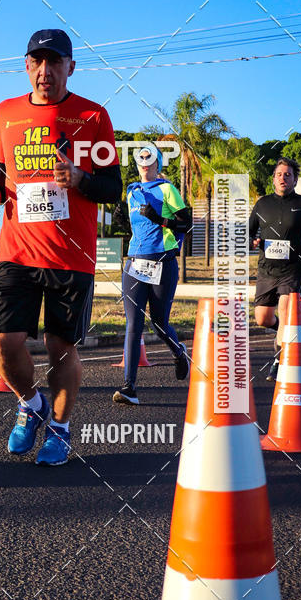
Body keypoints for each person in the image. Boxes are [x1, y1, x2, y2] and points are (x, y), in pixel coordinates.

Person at [0, 28, 122, 465]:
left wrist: (80, 179)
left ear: (70, 67)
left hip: (70, 256)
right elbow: (2, 172)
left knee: (61, 349)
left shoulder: (93, 117)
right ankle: (31, 403)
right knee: (3, 344)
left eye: (54, 62)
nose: (45, 71)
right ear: (26, 66)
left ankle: (59, 428)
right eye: (37, 62)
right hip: (16, 250)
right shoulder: (5, 114)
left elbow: (113, 188)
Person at [113, 144, 191, 405]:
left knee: (158, 323)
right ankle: (129, 387)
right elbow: (136, 226)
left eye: (150, 158)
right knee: (133, 325)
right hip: (135, 263)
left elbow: (187, 223)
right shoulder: (131, 191)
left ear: (157, 163)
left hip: (163, 261)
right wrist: (121, 220)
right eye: (141, 158)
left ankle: (179, 353)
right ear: (137, 164)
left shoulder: (167, 189)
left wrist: (161, 219)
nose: (145, 162)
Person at [249, 156, 301, 380]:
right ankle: (287, 331)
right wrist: (253, 241)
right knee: (262, 318)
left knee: (284, 308)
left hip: (293, 269)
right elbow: (249, 232)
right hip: (267, 269)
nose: (283, 178)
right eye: (279, 174)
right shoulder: (262, 204)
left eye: (288, 175)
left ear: (295, 180)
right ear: (273, 179)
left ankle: (279, 360)